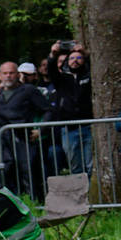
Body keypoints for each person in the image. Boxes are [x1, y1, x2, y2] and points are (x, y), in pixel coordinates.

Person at [0, 59, 52, 198]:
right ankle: (8, 204)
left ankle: (33, 204)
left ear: (17, 74)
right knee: (5, 173)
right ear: (0, 76)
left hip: (23, 138)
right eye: (5, 73)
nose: (8, 76)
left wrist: (40, 130)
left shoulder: (29, 90)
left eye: (11, 73)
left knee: (28, 173)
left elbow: (48, 110)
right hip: (0, 141)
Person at [49, 44, 92, 175]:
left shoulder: (88, 77)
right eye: (72, 58)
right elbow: (52, 70)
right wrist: (53, 54)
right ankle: (81, 193)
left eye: (79, 57)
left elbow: (94, 66)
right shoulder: (61, 79)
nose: (75, 60)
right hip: (69, 128)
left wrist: (86, 53)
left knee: (90, 164)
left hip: (88, 125)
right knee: (75, 164)